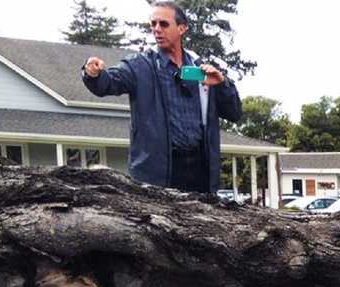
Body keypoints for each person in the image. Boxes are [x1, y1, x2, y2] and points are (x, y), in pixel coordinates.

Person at [81, 1, 241, 194]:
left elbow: (234, 112)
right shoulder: (140, 66)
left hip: (201, 171)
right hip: (158, 174)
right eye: (153, 24)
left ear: (182, 28)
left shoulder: (201, 69)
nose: (157, 29)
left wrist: (222, 83)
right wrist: (92, 73)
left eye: (163, 24)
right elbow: (108, 83)